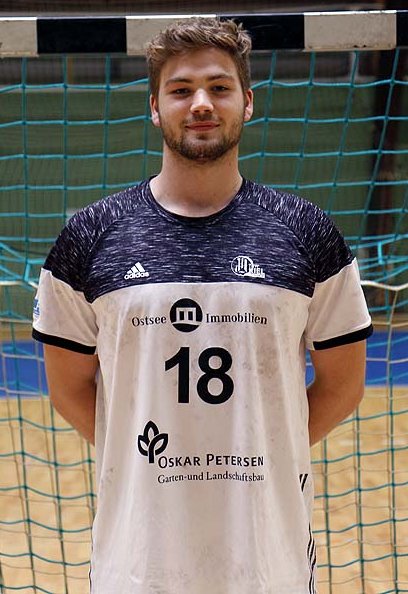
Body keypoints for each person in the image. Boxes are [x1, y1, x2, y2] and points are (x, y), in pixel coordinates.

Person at [32, 17, 373, 594]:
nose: (201, 104)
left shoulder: (307, 232)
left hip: (269, 565)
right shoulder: (89, 236)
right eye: (181, 89)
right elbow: (68, 388)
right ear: (154, 107)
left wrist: (259, 448)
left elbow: (344, 385)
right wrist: (155, 454)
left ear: (248, 101)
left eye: (219, 87)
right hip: (136, 566)